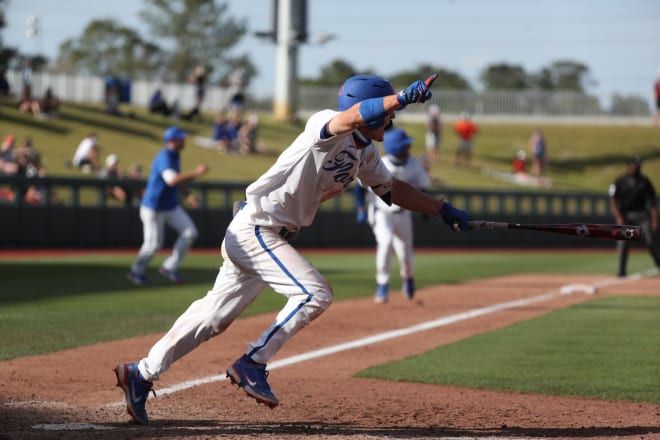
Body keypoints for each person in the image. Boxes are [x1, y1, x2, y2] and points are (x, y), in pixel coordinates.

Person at [113, 73, 471, 425]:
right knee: (314, 293)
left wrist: (439, 208)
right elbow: (352, 116)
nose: (392, 117)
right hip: (258, 227)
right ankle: (252, 362)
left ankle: (140, 374)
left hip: (269, 234)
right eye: (388, 110)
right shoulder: (326, 125)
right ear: (372, 110)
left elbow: (392, 189)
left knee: (213, 318)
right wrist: (403, 97)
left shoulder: (367, 153)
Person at [126, 126, 209, 286]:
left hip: (170, 206)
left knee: (190, 232)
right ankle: (136, 271)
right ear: (172, 141)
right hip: (153, 207)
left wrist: (188, 195)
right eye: (180, 138)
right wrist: (196, 173)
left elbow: (177, 180)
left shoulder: (175, 155)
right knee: (153, 245)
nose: (183, 140)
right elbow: (172, 180)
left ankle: (170, 267)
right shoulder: (165, 156)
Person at [355, 128, 430, 303]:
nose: (408, 148)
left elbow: (423, 187)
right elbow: (359, 186)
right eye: (405, 146)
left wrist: (426, 208)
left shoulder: (413, 164)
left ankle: (408, 278)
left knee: (405, 253)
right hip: (382, 213)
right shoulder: (381, 164)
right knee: (385, 244)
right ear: (395, 148)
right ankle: (382, 285)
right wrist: (360, 208)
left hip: (403, 214)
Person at [608, 156, 660, 277]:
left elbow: (653, 202)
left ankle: (658, 261)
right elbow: (613, 199)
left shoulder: (645, 181)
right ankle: (621, 270)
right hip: (626, 216)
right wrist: (619, 216)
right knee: (623, 242)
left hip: (642, 215)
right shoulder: (620, 181)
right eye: (635, 165)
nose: (637, 168)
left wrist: (654, 219)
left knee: (651, 240)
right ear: (629, 166)